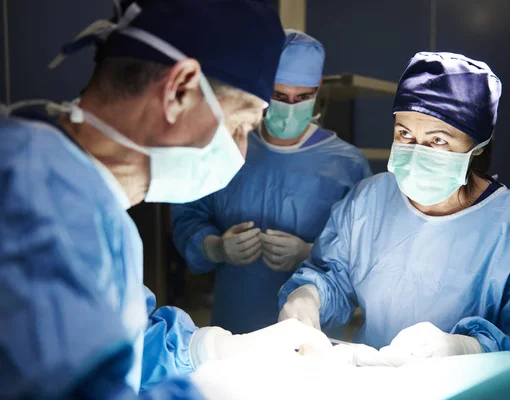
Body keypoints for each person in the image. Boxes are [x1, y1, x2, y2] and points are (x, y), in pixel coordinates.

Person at [0, 1, 332, 399]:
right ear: (179, 90)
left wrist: (213, 348)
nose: (241, 152)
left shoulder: (89, 204)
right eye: (241, 125)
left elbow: (125, 343)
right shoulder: (35, 210)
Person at [278, 52, 510, 362]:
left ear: (477, 146)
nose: (417, 151)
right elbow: (334, 274)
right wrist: (311, 295)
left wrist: (470, 348)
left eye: (438, 140)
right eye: (405, 134)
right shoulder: (368, 202)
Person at [170, 30, 372, 334]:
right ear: (262, 89)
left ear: (317, 90)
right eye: (279, 96)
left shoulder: (347, 164)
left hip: (309, 334)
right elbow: (188, 217)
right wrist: (215, 248)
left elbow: (361, 254)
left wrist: (309, 252)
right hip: (232, 326)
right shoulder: (228, 147)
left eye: (302, 98)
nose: (291, 107)